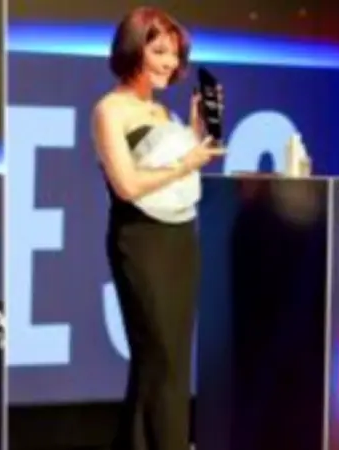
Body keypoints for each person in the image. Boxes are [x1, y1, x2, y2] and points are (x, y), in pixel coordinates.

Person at [90, 7, 224, 450]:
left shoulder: (163, 113)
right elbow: (128, 185)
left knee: (168, 363)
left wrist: (196, 134)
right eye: (160, 51)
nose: (170, 63)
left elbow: (176, 181)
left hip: (180, 238)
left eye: (175, 54)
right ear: (134, 49)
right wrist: (186, 161)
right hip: (141, 241)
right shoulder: (110, 110)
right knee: (160, 357)